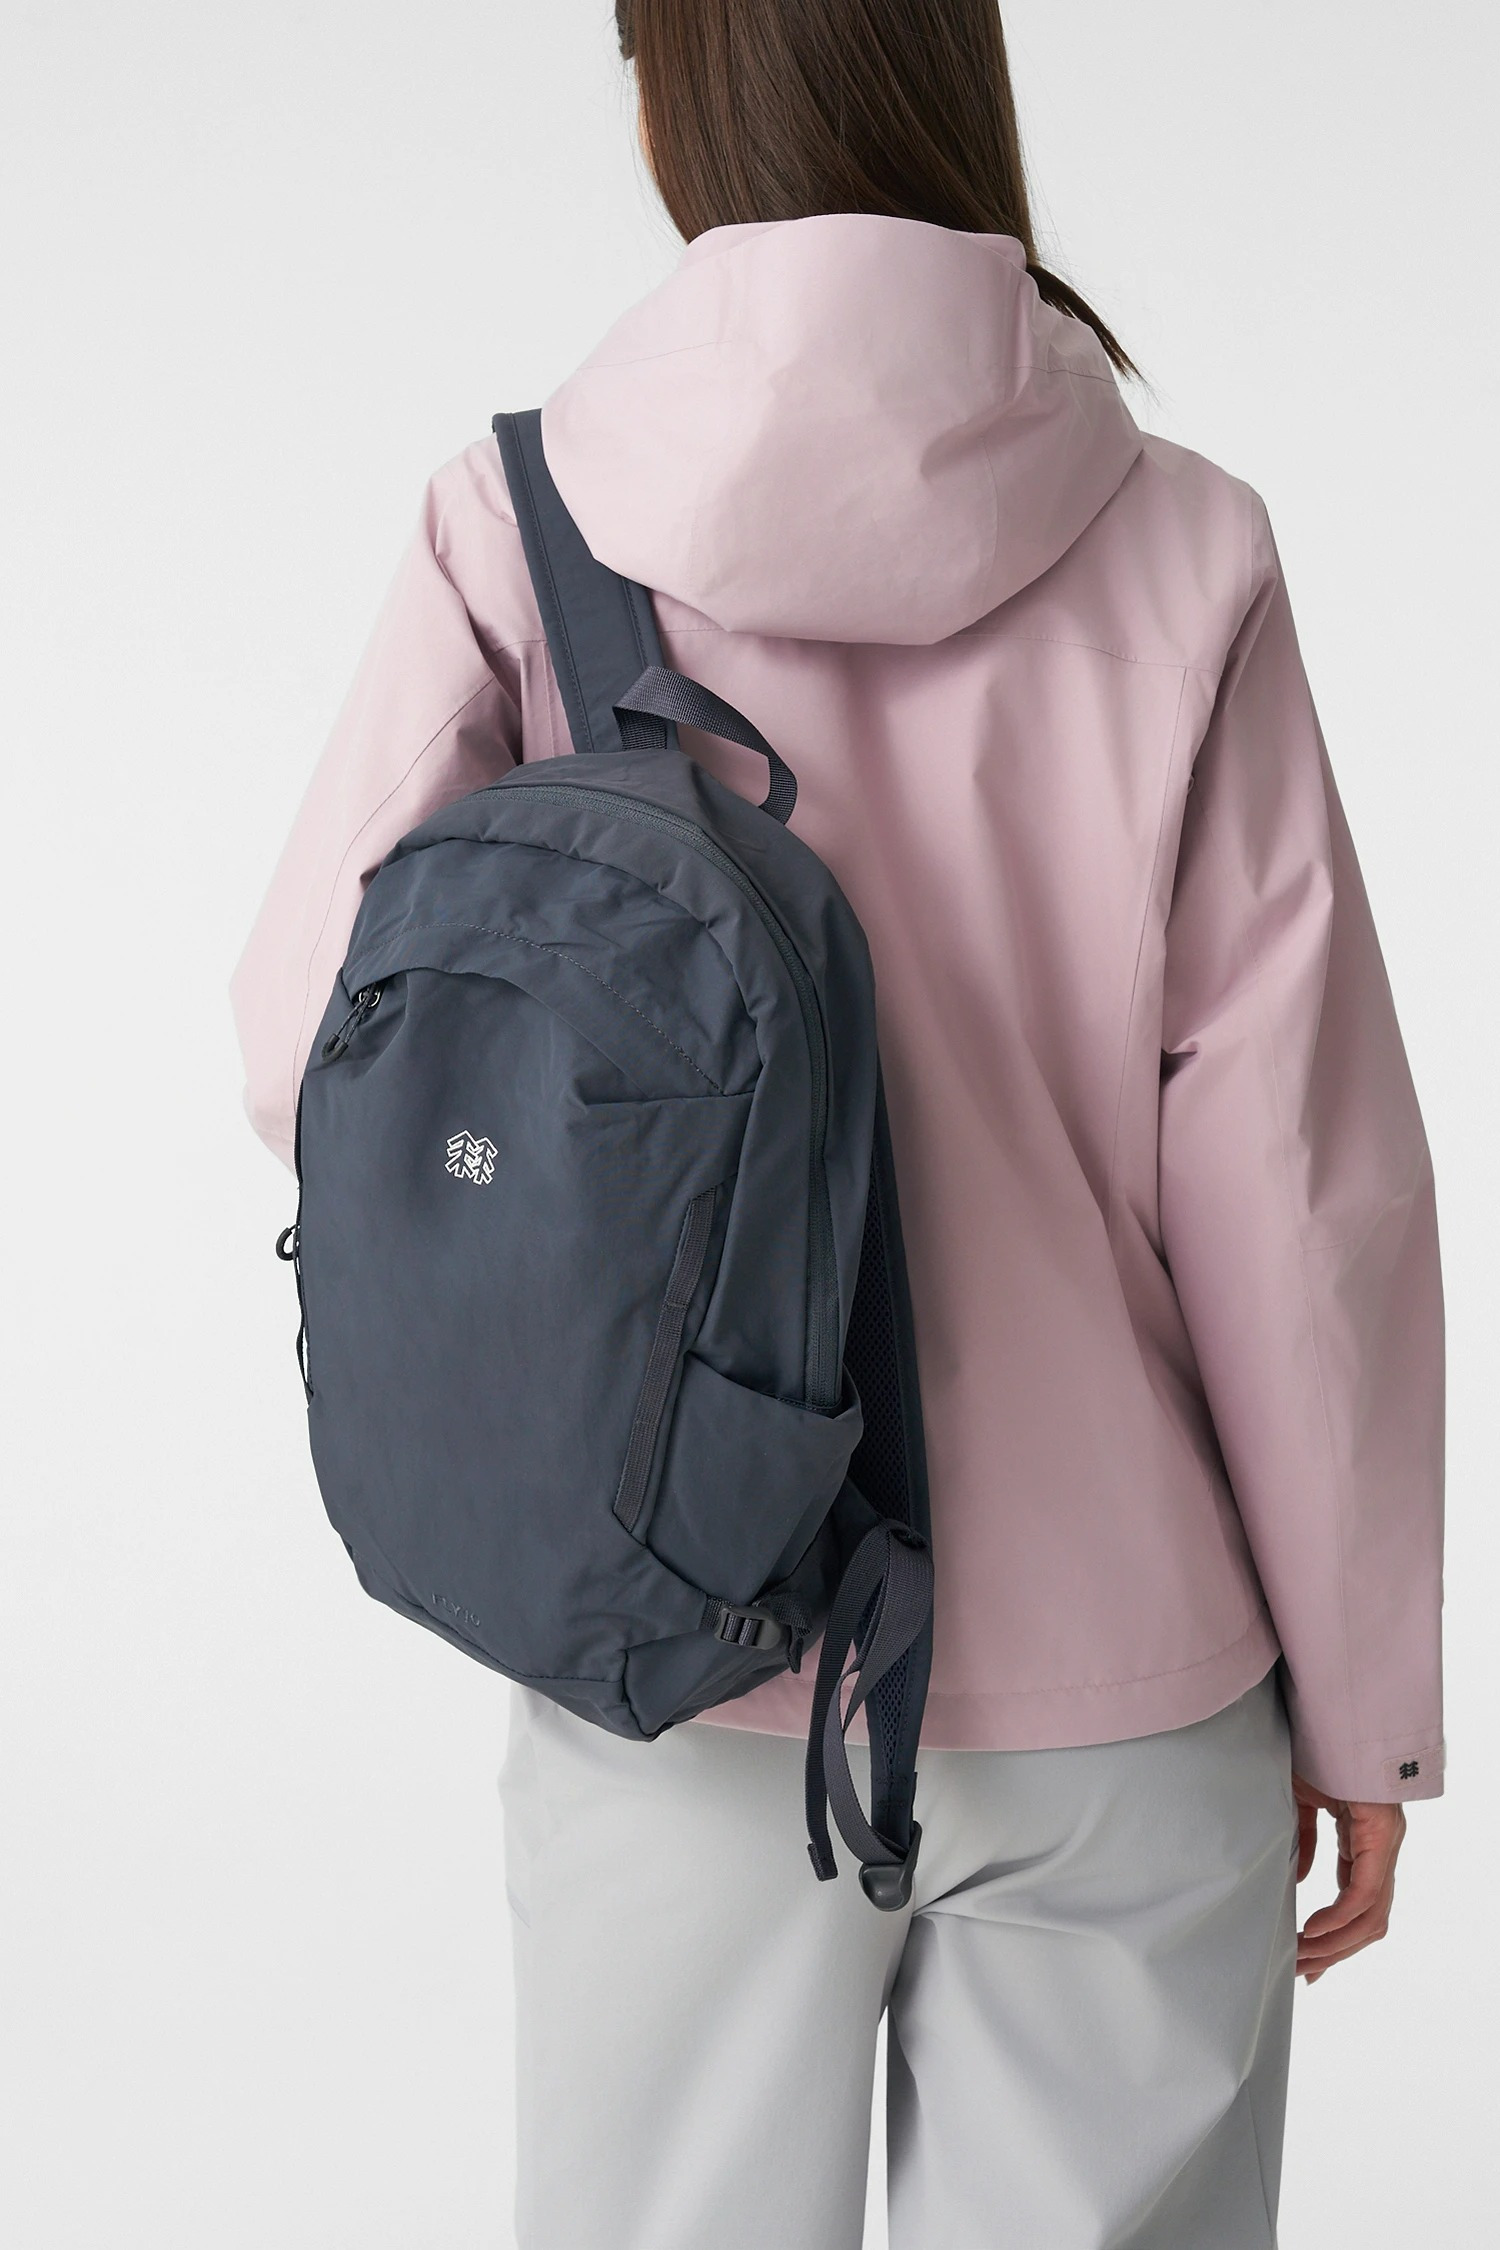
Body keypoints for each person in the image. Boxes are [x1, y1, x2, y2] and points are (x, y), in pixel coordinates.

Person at [231, 2, 1445, 2243]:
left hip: (675, 1648)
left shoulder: (518, 522)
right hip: (1128, 1681)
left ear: (669, 92)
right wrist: (1364, 1704)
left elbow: (306, 1039)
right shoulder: (1188, 545)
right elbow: (1296, 1190)